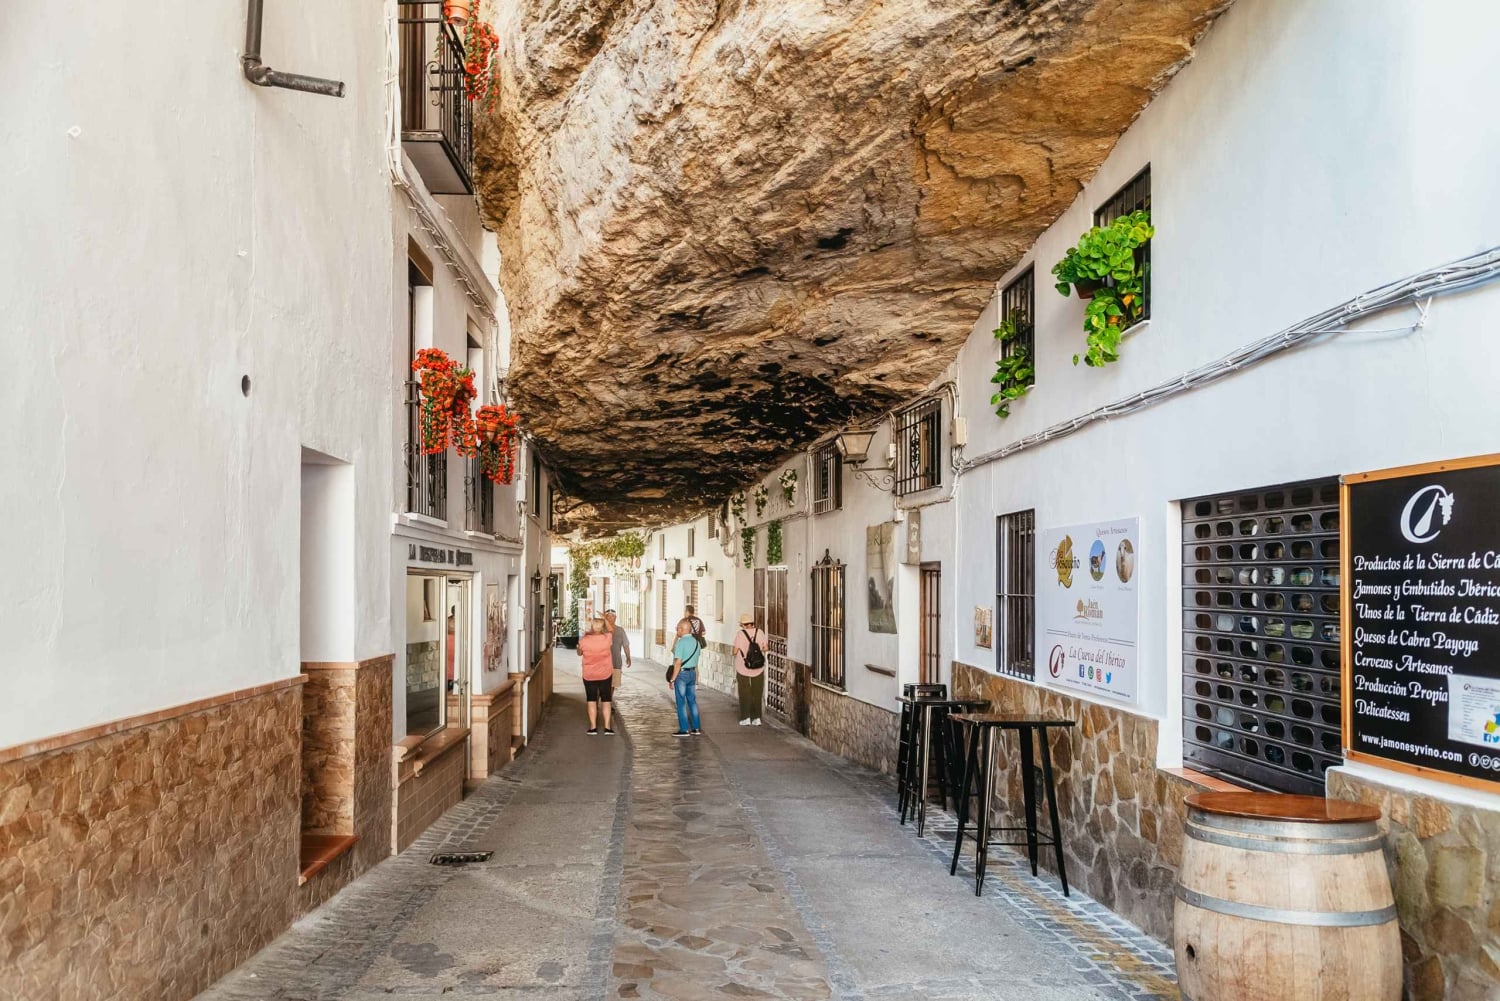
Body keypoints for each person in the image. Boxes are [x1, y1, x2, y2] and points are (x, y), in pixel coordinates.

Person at [577, 617, 615, 735]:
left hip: (589, 675)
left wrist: (579, 647)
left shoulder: (584, 640)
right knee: (606, 701)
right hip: (605, 674)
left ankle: (593, 728)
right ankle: (607, 728)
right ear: (602, 627)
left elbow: (579, 653)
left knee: (591, 700)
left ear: (592, 626)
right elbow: (611, 629)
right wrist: (605, 618)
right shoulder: (607, 638)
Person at [732, 612, 769, 726]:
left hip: (743, 667)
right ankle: (756, 718)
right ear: (752, 623)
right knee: (757, 693)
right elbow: (765, 648)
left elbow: (735, 651)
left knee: (744, 692)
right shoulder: (760, 632)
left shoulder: (740, 634)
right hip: (758, 667)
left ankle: (746, 718)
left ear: (743, 625)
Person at [668, 617, 702, 737]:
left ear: (682, 629)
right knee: (692, 701)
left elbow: (678, 663)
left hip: (682, 675)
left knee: (681, 702)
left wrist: (672, 679)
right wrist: (696, 679)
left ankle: (684, 729)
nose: (676, 631)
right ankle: (696, 728)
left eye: (677, 628)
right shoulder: (697, 642)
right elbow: (696, 662)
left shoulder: (681, 642)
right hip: (692, 673)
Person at [603, 609, 631, 692]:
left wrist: (628, 657)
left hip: (616, 662)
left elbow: (626, 645)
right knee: (601, 684)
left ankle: (609, 699)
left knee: (613, 684)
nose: (610, 618)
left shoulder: (620, 630)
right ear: (605, 618)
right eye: (608, 616)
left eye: (612, 616)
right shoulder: (601, 629)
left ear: (615, 618)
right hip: (602, 662)